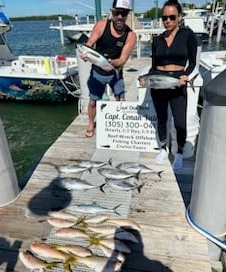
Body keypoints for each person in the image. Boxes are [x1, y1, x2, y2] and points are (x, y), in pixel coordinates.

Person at [147, 0, 197, 170]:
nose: (167, 20)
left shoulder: (187, 35)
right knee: (162, 119)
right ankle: (163, 148)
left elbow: (192, 61)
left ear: (179, 17)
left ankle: (180, 152)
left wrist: (186, 75)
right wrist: (148, 79)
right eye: (164, 17)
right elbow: (154, 65)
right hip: (159, 83)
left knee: (180, 121)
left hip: (177, 82)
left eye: (171, 17)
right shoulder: (157, 40)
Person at [80, 0, 136, 138]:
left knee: (121, 101)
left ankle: (120, 125)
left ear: (127, 14)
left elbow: (123, 59)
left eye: (123, 14)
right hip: (97, 71)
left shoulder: (130, 35)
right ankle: (91, 124)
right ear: (112, 12)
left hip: (115, 71)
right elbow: (90, 43)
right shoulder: (101, 25)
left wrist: (111, 63)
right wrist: (86, 53)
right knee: (93, 101)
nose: (120, 17)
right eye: (117, 13)